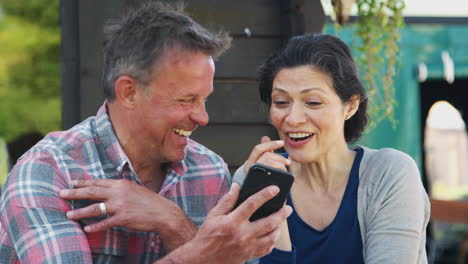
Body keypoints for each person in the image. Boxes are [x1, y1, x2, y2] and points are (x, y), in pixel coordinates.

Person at [0, 2, 291, 263]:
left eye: (205, 99)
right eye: (186, 100)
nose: (203, 118)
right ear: (128, 92)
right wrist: (201, 253)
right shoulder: (47, 172)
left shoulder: (210, 171)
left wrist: (172, 222)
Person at [232, 34, 430, 263]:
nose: (293, 119)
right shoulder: (254, 180)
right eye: (281, 102)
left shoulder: (388, 174)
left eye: (313, 102)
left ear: (351, 106)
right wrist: (271, 207)